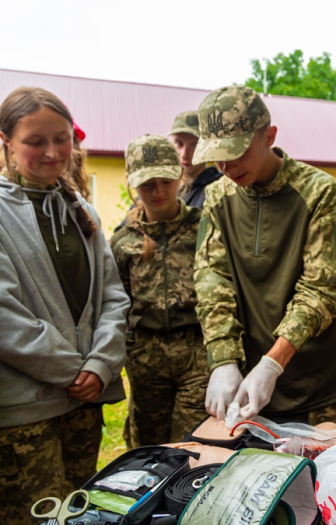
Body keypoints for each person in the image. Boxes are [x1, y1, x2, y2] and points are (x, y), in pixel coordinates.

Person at [0, 87, 129, 524]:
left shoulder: (80, 209)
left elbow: (112, 297)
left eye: (62, 138)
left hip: (81, 407)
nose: (53, 152)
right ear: (6, 141)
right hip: (19, 418)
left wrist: (101, 365)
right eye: (35, 142)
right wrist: (73, 370)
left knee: (82, 516)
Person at [193, 85, 336, 425]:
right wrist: (223, 358)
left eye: (237, 152)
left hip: (317, 383)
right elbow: (212, 279)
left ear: (268, 136)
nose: (226, 165)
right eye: (216, 155)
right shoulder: (217, 197)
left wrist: (273, 363)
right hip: (247, 386)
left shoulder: (320, 192)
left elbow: (324, 288)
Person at [111, 134, 209, 447]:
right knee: (147, 447)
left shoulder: (204, 228)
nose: (157, 192)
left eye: (165, 181)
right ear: (130, 181)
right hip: (145, 358)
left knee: (192, 445)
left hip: (197, 353)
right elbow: (118, 305)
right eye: (146, 184)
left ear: (181, 174)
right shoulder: (123, 241)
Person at [169, 110, 222, 208]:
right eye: (179, 144)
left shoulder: (218, 192)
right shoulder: (157, 187)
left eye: (194, 146)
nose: (184, 154)